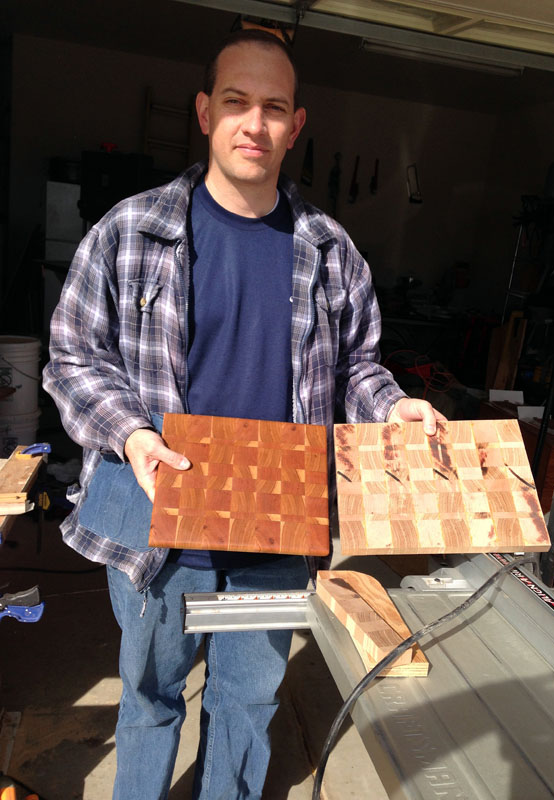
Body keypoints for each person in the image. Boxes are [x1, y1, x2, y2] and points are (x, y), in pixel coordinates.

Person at [43, 28, 445, 800]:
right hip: (162, 523)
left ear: (296, 125)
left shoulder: (330, 251)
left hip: (275, 528)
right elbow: (72, 358)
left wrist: (393, 408)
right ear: (205, 112)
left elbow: (357, 369)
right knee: (152, 697)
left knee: (247, 702)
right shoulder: (129, 232)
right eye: (236, 102)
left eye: (273, 107)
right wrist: (133, 435)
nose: (254, 123)